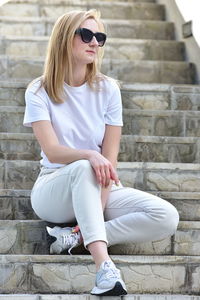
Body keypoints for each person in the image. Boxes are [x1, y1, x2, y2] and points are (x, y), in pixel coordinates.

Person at [23, 9, 179, 297]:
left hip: (98, 183)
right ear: (62, 39)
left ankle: (76, 237)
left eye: (100, 37)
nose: (94, 42)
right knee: (84, 165)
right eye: (86, 34)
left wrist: (99, 195)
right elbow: (53, 151)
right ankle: (105, 269)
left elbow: (109, 160)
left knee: (166, 216)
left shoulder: (108, 89)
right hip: (53, 189)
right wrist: (90, 156)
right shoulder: (39, 90)